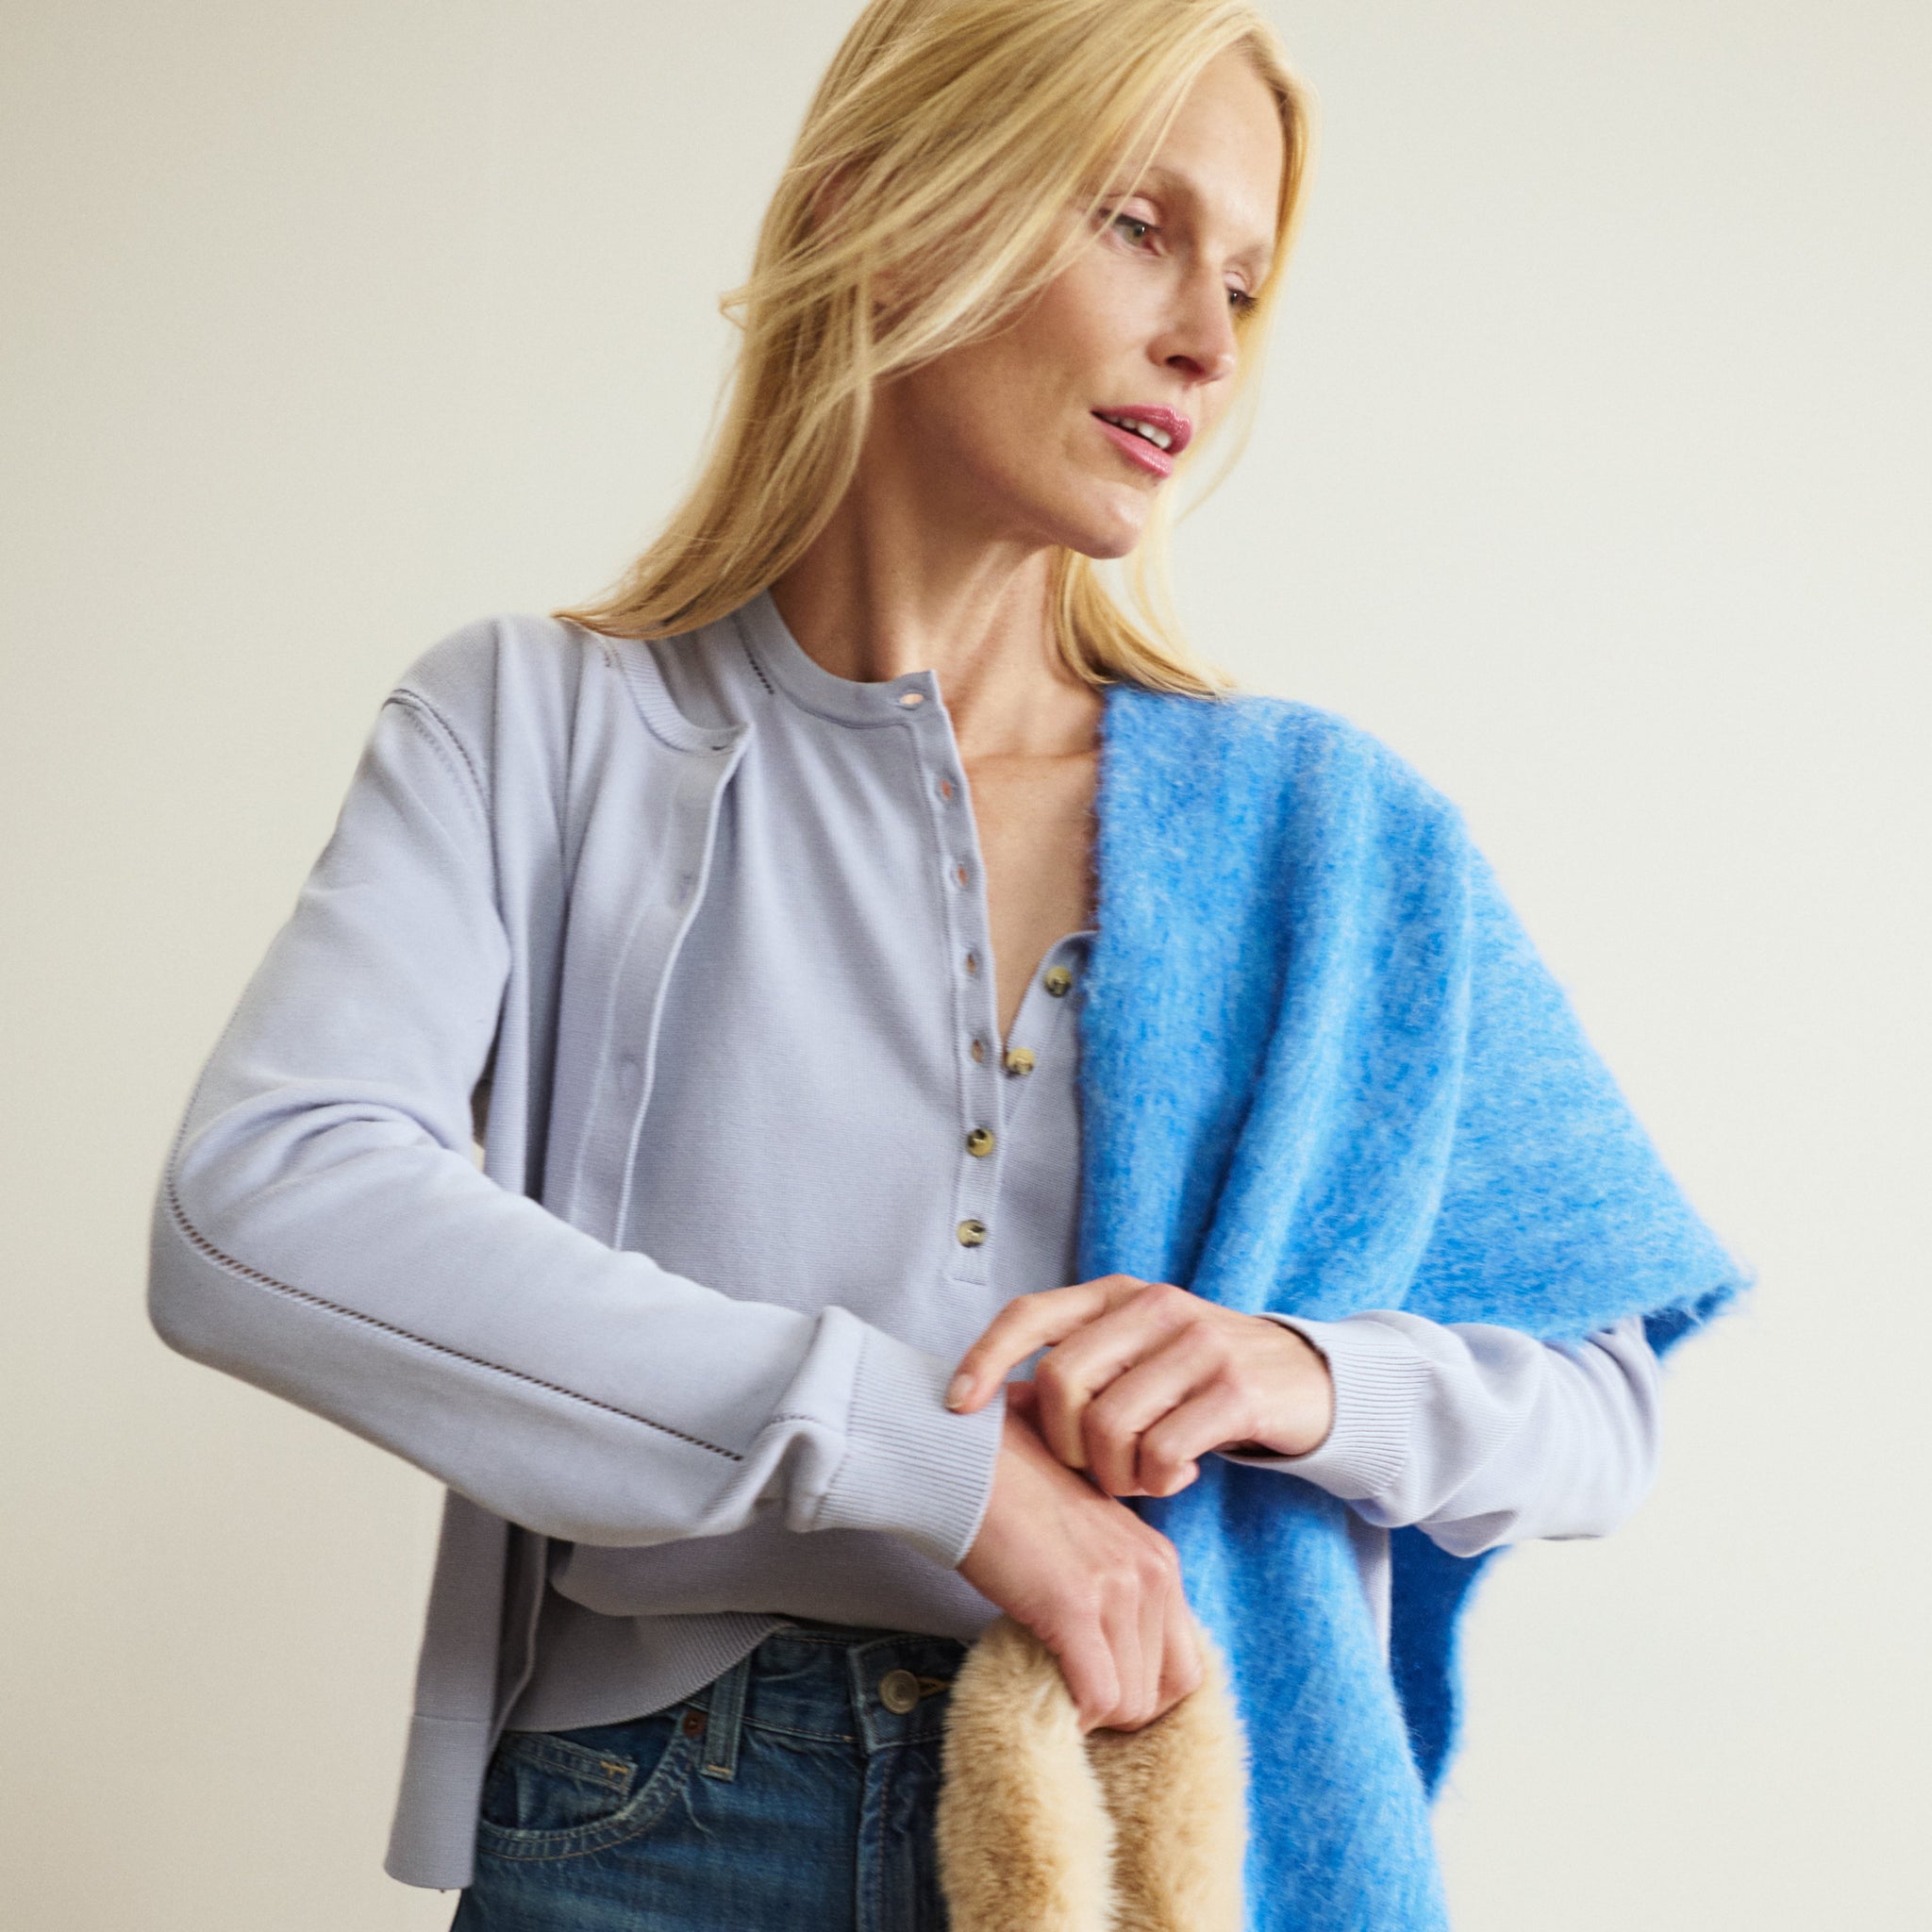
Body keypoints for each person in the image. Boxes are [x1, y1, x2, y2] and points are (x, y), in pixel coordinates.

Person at [147, 2, 1740, 1926]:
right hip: (655, 1817)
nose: (1206, 341)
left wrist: (1300, 1370)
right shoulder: (534, 728)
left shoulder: (1333, 833)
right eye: (1134, 227)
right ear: (887, 214)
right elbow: (265, 1203)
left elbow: (1598, 1405)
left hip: (1142, 1816)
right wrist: (941, 1468)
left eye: (1242, 274)